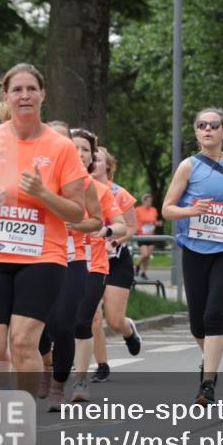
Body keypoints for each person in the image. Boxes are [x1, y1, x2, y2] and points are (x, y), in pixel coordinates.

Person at [0, 63, 86, 395]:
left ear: (43, 94)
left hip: (41, 256)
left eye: (31, 89)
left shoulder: (61, 147)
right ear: (6, 96)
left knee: (23, 341)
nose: (24, 95)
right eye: (17, 89)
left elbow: (76, 210)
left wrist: (43, 194)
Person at [163, 108, 223, 404]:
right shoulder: (188, 167)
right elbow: (167, 208)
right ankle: (210, 362)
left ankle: (208, 383)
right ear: (196, 132)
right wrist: (190, 211)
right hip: (194, 247)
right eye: (202, 126)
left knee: (214, 314)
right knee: (197, 323)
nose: (207, 129)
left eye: (214, 125)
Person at [37, 121, 106, 411]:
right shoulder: (30, 173)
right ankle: (46, 363)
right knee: (37, 326)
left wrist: (71, 222)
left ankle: (57, 386)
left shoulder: (82, 180)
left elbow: (97, 220)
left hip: (71, 259)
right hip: (34, 259)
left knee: (65, 325)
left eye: (62, 140)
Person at [67, 131, 128, 404]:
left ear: (92, 157)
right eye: (73, 147)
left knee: (84, 320)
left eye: (84, 149)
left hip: (93, 263)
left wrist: (103, 230)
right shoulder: (53, 187)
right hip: (57, 260)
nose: (78, 153)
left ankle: (80, 380)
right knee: (50, 326)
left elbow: (122, 225)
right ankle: (49, 369)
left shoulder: (101, 190)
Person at [89, 147, 141, 382]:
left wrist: (114, 240)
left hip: (117, 261)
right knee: (93, 317)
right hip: (90, 259)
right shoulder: (79, 190)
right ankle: (102, 365)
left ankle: (128, 329)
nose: (92, 163)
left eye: (97, 160)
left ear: (107, 166)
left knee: (114, 319)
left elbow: (131, 226)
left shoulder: (119, 193)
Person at [135, 193, 161, 279]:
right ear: (144, 201)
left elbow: (154, 221)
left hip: (151, 235)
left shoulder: (153, 210)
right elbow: (133, 221)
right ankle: (137, 266)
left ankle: (144, 272)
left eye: (151, 201)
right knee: (145, 254)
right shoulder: (138, 210)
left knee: (148, 256)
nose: (149, 202)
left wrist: (158, 223)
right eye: (148, 201)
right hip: (141, 235)